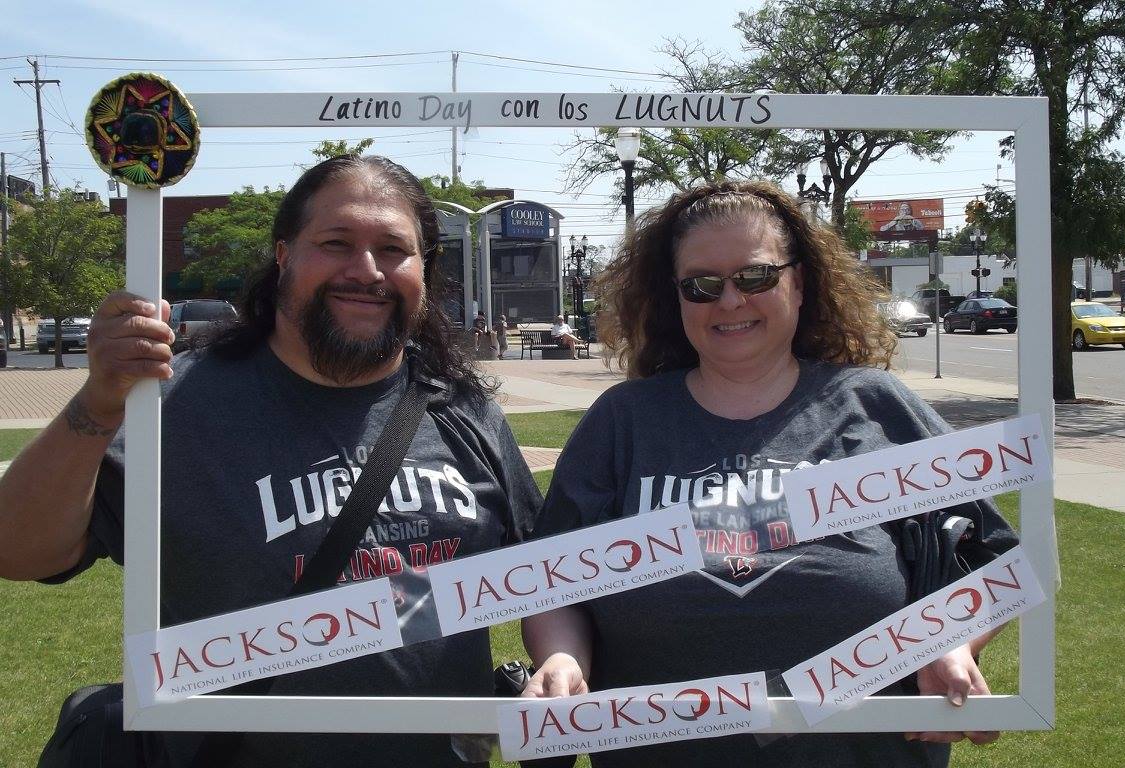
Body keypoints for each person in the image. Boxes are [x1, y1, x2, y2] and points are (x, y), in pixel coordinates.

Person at [0, 155, 542, 767]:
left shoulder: (466, 411)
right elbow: (19, 550)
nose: (366, 270)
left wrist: (558, 662)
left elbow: (548, 576)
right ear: (284, 255)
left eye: (393, 249)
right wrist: (99, 402)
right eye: (336, 243)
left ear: (423, 269)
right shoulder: (178, 402)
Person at [520, 181, 1018, 767]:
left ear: (799, 283)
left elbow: (996, 562)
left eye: (755, 277)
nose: (729, 301)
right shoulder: (622, 421)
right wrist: (561, 659)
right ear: (675, 299)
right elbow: (551, 582)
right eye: (701, 285)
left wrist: (949, 641)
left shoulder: (876, 406)